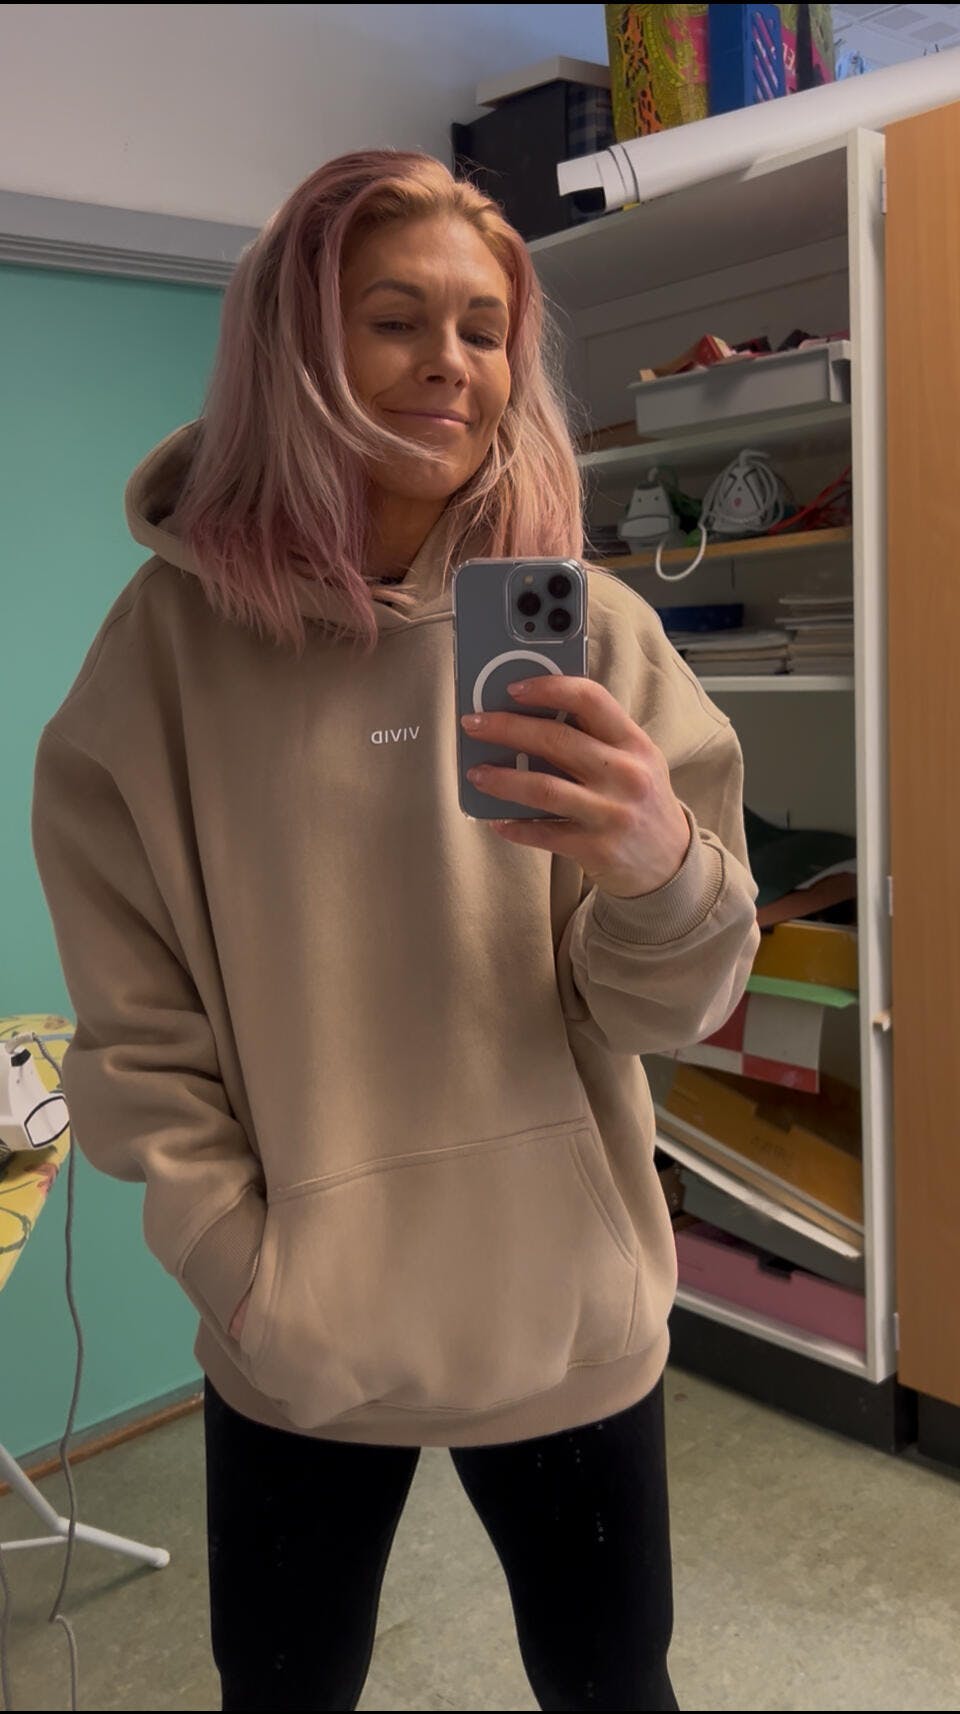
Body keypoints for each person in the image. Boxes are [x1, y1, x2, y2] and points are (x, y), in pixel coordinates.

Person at [32, 150, 760, 1713]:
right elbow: (138, 1031)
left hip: (564, 1313)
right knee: (282, 1691)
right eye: (396, 317)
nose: (451, 361)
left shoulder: (583, 632)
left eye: (485, 328)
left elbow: (673, 1006)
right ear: (294, 343)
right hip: (299, 1337)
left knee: (612, 1684)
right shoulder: (162, 656)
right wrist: (248, 1272)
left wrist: (662, 864)